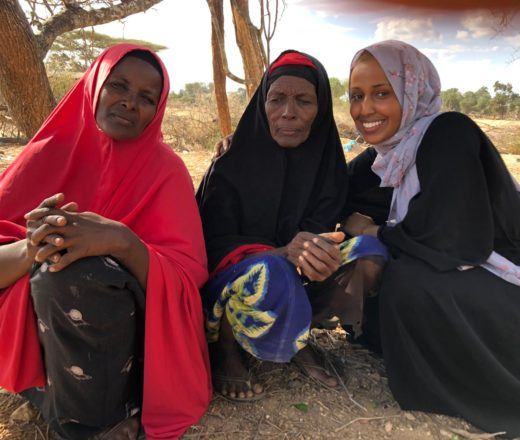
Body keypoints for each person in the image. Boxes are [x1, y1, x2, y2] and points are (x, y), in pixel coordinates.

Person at [0, 44, 211, 439]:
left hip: (124, 338)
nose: (130, 103)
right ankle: (75, 409)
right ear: (96, 83)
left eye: (146, 98)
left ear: (157, 109)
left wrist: (123, 242)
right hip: (43, 330)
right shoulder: (45, 156)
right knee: (55, 267)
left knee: (78, 273)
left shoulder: (166, 171)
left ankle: (95, 420)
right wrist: (34, 247)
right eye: (119, 86)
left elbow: (188, 276)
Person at [344, 40, 520, 437]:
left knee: (405, 279)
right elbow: (326, 190)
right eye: (356, 96)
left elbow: (457, 240)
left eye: (382, 93)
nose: (365, 109)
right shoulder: (382, 159)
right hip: (468, 285)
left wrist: (374, 231)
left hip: (507, 284)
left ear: (413, 90)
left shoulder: (446, 133)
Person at [197, 50, 388, 401]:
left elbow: (330, 228)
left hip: (298, 274)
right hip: (235, 283)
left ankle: (299, 336)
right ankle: (225, 348)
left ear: (321, 110)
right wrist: (280, 253)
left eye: (303, 101)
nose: (289, 112)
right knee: (271, 270)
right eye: (277, 100)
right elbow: (205, 247)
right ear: (261, 105)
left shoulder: (328, 166)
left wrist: (321, 252)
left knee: (369, 253)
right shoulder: (230, 164)